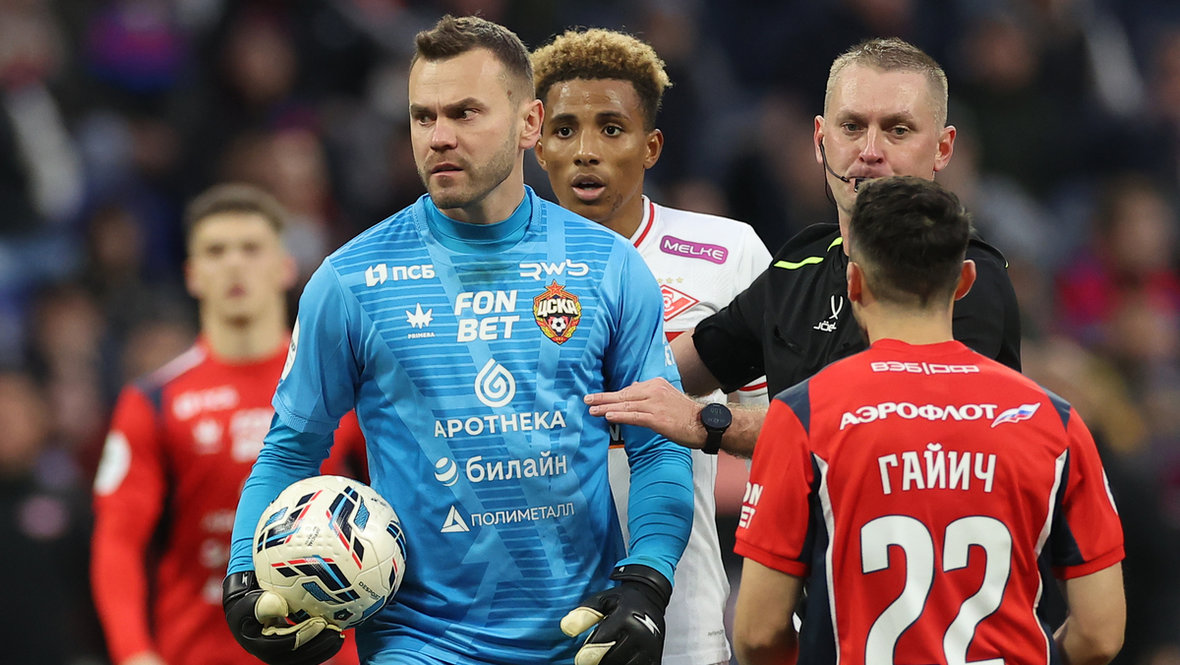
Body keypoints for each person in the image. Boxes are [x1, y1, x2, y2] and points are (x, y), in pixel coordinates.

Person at [222, 15, 693, 665]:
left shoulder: (608, 267)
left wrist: (646, 581)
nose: (439, 136)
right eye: (424, 117)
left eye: (465, 113)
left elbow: (658, 446)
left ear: (530, 124)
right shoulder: (349, 280)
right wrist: (243, 577)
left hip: (580, 638)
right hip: (420, 642)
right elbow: (289, 449)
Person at [731, 175, 1125, 665]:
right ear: (965, 282)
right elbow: (1101, 633)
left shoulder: (803, 415)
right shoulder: (1052, 420)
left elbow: (758, 633)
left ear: (854, 283)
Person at [584, 37, 1021, 458]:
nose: (870, 151)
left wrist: (707, 423)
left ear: (943, 148)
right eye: (852, 127)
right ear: (820, 140)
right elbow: (663, 370)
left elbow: (885, 432)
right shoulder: (799, 264)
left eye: (898, 130)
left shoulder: (965, 275)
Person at [530, 28, 771, 665]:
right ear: (537, 142)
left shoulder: (729, 253)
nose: (586, 151)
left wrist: (700, 421)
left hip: (681, 620)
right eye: (564, 130)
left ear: (651, 146)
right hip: (522, 623)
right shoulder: (495, 268)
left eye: (611, 128)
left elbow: (789, 438)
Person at [90, 183, 366, 665]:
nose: (235, 264)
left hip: (332, 654)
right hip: (197, 653)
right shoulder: (153, 401)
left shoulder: (345, 388)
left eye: (251, 248)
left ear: (286, 266)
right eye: (216, 251)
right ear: (192, 275)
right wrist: (133, 652)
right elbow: (118, 541)